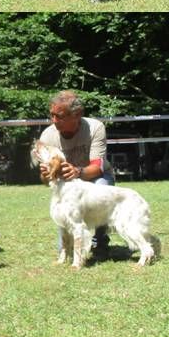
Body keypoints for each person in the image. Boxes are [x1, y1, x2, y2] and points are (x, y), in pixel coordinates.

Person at [35, 90, 113, 259]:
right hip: (66, 186)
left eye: (60, 116)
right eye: (52, 115)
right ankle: (67, 247)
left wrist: (77, 171)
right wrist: (45, 174)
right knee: (63, 207)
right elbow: (45, 181)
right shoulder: (48, 135)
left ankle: (99, 242)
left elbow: (98, 167)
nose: (54, 121)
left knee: (102, 187)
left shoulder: (95, 127)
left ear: (77, 114)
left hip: (95, 177)